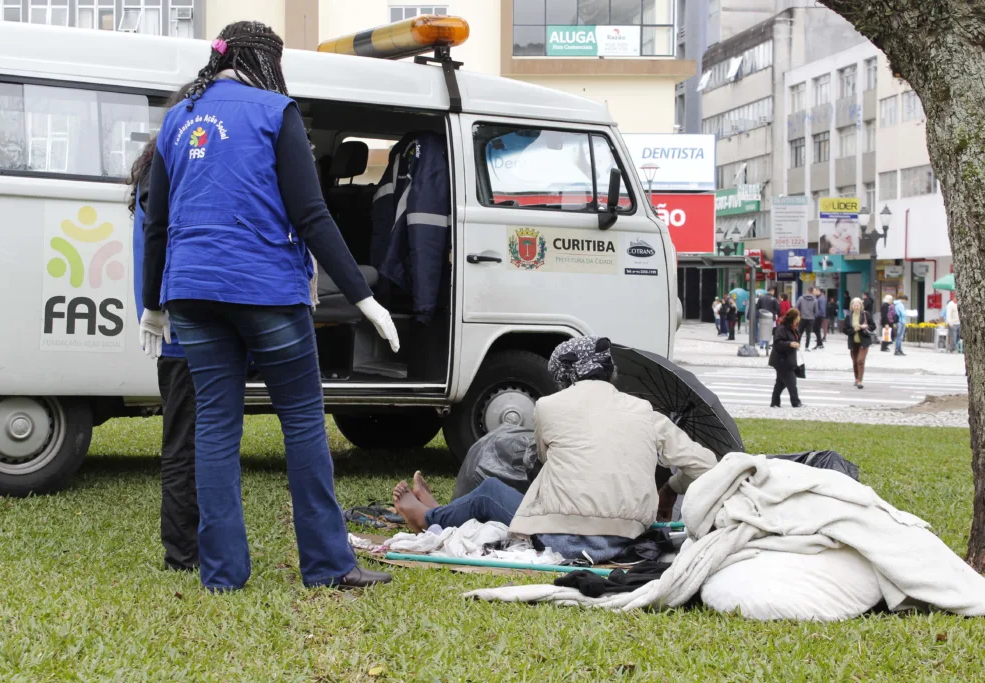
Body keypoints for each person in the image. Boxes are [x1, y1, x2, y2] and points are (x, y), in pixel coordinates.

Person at [140, 22, 399, 591]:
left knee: (214, 428)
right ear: (264, 60)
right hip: (264, 289)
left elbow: (155, 222)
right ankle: (329, 566)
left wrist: (151, 304)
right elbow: (311, 215)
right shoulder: (274, 110)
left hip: (189, 292)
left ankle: (222, 575)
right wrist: (364, 295)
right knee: (303, 421)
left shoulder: (178, 119)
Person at [391, 337, 718, 563]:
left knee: (489, 493)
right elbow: (706, 465)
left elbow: (544, 463)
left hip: (558, 538)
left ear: (564, 377)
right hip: (628, 538)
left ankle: (427, 518)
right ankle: (440, 515)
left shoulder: (548, 406)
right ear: (611, 372)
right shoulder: (645, 412)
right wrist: (671, 488)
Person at [128, 86, 201, 572]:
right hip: (182, 331)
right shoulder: (169, 176)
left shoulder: (152, 171)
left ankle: (187, 547)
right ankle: (182, 552)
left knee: (185, 442)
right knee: (184, 446)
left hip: (171, 330)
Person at [769, 308, 803, 408]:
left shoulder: (793, 328)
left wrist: (795, 344)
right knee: (791, 381)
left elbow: (796, 337)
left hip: (788, 358)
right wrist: (790, 344)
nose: (799, 319)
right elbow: (777, 343)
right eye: (798, 316)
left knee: (780, 383)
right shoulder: (782, 328)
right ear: (793, 317)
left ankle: (774, 402)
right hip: (781, 360)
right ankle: (796, 402)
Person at [843, 297, 875, 389]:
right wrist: (854, 330)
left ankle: (860, 381)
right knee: (854, 361)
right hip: (853, 342)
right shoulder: (849, 316)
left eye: (858, 305)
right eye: (854, 305)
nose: (856, 307)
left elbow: (873, 326)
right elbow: (845, 330)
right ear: (851, 306)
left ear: (861, 306)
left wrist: (866, 326)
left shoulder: (866, 314)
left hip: (864, 341)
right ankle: (856, 378)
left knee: (860, 360)